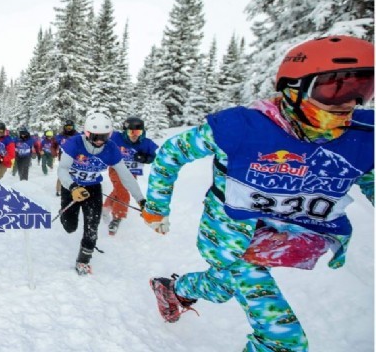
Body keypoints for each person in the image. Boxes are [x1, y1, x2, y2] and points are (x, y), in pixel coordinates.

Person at [142, 35, 374, 351]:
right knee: (284, 341)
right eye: (333, 88)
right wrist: (156, 206)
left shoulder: (362, 138)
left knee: (221, 288)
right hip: (228, 237)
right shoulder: (242, 129)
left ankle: (173, 289)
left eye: (363, 89)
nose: (349, 103)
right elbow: (172, 152)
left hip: (280, 237)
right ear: (295, 88)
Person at [57, 112, 145, 276]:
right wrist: (73, 187)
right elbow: (62, 170)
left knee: (92, 226)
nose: (99, 142)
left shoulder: (111, 148)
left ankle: (83, 260)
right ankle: (64, 214)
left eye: (104, 137)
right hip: (72, 187)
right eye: (95, 137)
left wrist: (141, 200)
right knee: (70, 226)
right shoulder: (74, 143)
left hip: (92, 189)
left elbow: (126, 176)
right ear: (87, 133)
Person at [102, 116, 158, 236]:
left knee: (119, 190)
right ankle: (117, 217)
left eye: (137, 132)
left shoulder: (145, 143)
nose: (134, 135)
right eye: (131, 132)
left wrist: (145, 158)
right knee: (123, 190)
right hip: (116, 169)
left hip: (132, 171)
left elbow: (153, 157)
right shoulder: (115, 138)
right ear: (125, 132)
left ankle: (106, 207)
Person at [54, 119, 79, 196]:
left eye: (70, 127)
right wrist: (54, 152)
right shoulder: (60, 136)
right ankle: (58, 190)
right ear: (64, 127)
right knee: (63, 172)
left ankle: (74, 188)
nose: (69, 129)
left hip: (76, 157)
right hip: (63, 157)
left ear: (73, 127)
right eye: (67, 127)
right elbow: (54, 145)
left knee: (75, 173)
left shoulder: (77, 135)